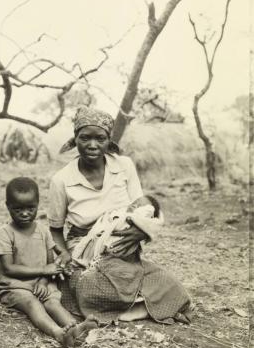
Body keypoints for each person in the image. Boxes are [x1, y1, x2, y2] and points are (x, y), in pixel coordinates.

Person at [48, 106, 192, 324]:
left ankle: (129, 306)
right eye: (85, 138)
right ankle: (140, 307)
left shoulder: (124, 166)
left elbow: (142, 208)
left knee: (170, 285)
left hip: (123, 244)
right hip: (84, 248)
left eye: (100, 138)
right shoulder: (61, 179)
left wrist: (139, 233)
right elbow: (55, 229)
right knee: (88, 285)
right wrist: (66, 256)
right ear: (75, 138)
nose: (92, 145)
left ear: (109, 140)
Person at [0, 177, 98, 347]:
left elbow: (50, 263)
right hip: (14, 284)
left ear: (38, 204)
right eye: (18, 209)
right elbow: (9, 268)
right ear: (8, 206)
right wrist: (43, 272)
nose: (25, 213)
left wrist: (44, 279)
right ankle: (58, 333)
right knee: (32, 303)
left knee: (53, 303)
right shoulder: (5, 234)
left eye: (30, 208)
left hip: (40, 281)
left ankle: (77, 329)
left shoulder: (42, 230)